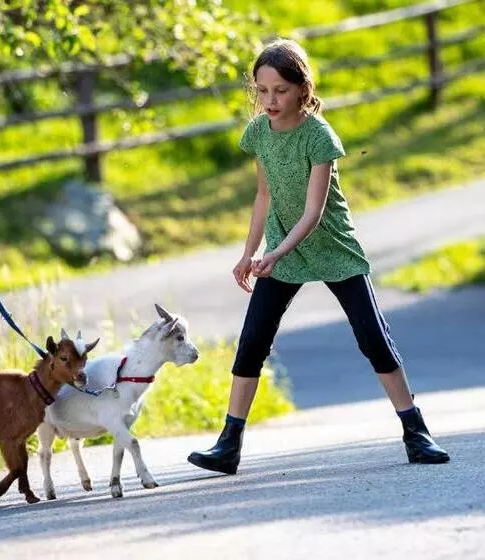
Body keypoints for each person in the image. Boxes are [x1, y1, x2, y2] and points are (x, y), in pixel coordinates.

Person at [187, 39, 449, 475]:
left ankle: (416, 432)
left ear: (302, 90)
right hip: (281, 250)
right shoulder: (257, 133)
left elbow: (313, 212)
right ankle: (228, 444)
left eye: (281, 91)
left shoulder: (319, 136)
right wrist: (248, 253)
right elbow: (264, 195)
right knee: (252, 341)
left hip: (331, 247)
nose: (271, 101)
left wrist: (275, 252)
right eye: (263, 91)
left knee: (372, 336)